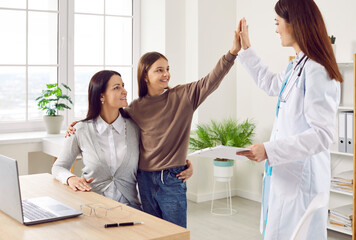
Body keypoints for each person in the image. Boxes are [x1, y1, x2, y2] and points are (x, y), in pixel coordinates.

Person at [235, 0, 342, 239]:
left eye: (278, 23)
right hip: (288, 175)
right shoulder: (297, 65)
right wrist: (247, 48)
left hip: (303, 181)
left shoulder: (317, 69)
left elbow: (322, 135)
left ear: (295, 24)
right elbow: (273, 84)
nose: (276, 29)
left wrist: (270, 150)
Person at [119, 24, 241, 228]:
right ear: (145, 76)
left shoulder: (184, 96)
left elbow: (212, 79)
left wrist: (233, 52)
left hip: (172, 178)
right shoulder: (136, 107)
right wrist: (80, 123)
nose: (166, 74)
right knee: (151, 232)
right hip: (144, 179)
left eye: (167, 69)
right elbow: (111, 118)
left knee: (176, 234)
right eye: (159, 70)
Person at [52, 70, 142, 209]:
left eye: (123, 86)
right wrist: (71, 179)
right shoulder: (81, 130)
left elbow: (157, 150)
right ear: (101, 95)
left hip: (131, 208)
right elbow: (58, 167)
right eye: (116, 87)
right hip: (93, 208)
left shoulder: (135, 128)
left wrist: (182, 164)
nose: (124, 91)